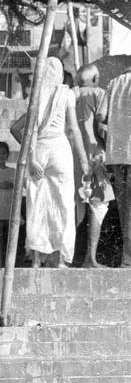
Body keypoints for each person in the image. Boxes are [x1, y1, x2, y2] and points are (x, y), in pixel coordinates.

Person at [25, 57, 88, 268]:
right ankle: (61, 259)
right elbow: (73, 129)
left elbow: (31, 130)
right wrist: (84, 160)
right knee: (63, 205)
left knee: (37, 205)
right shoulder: (67, 93)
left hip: (40, 150)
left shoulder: (35, 94)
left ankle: (36, 259)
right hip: (60, 149)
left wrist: (32, 159)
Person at [74, 64, 112, 268]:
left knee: (73, 204)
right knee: (98, 204)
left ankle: (63, 257)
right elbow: (100, 126)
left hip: (71, 156)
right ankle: (90, 258)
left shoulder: (70, 93)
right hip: (93, 155)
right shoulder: (99, 93)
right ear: (96, 78)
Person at [96, 66, 131, 266]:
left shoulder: (114, 83)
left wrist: (104, 146)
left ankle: (127, 259)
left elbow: (99, 120)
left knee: (125, 208)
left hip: (117, 154)